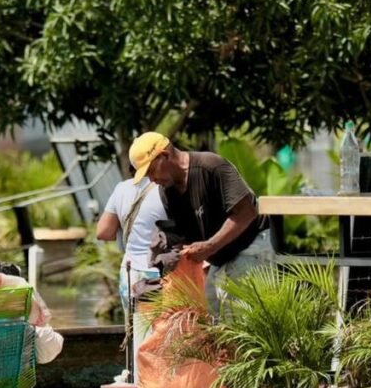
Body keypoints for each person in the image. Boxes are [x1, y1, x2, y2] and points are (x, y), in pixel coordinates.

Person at [130, 131, 273, 312]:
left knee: (237, 313)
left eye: (151, 171)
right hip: (220, 255)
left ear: (164, 156)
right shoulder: (167, 192)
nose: (152, 179)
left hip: (251, 245)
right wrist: (167, 254)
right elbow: (187, 236)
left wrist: (210, 246)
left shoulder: (211, 166)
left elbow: (247, 212)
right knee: (211, 310)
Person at [95, 177, 167, 308]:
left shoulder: (122, 188)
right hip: (162, 273)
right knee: (165, 321)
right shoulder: (168, 185)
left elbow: (103, 232)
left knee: (133, 321)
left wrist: (128, 233)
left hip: (130, 273)